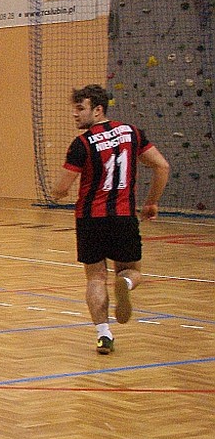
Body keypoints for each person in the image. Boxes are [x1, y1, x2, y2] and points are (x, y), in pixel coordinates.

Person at [51, 84, 170, 355]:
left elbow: (61, 188)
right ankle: (125, 284)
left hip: (90, 219)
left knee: (95, 278)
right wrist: (151, 202)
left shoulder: (82, 144)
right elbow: (162, 166)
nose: (75, 114)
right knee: (132, 271)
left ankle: (104, 335)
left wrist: (57, 193)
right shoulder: (132, 132)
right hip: (123, 217)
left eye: (80, 109)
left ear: (98, 110)